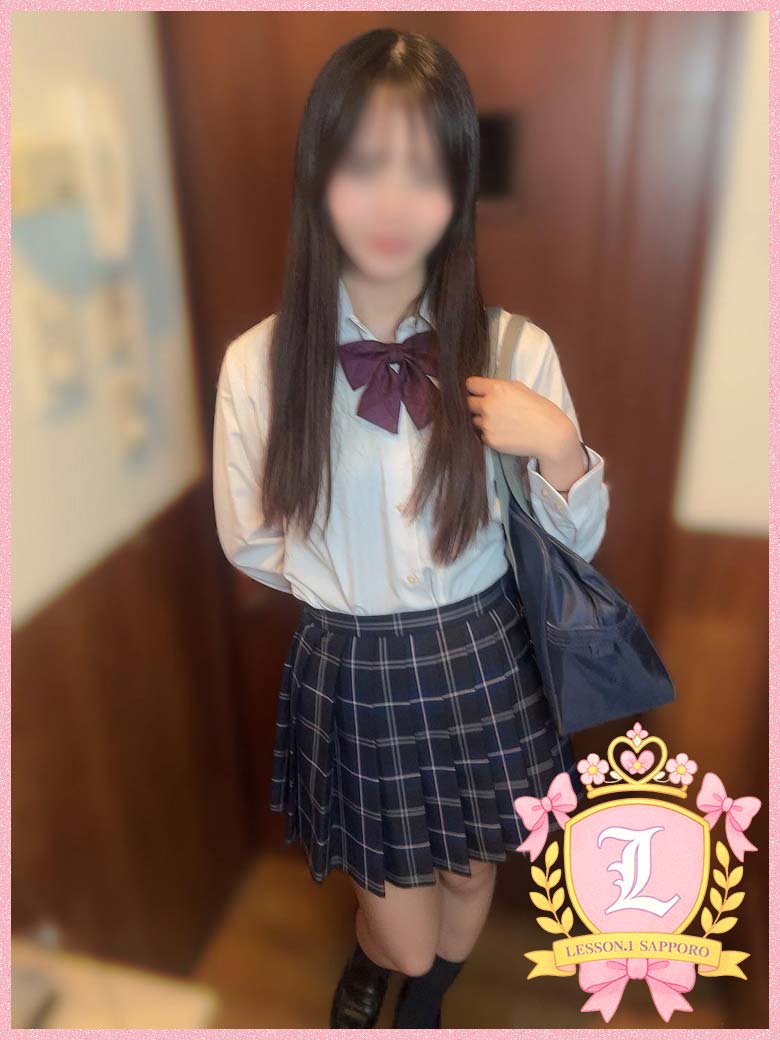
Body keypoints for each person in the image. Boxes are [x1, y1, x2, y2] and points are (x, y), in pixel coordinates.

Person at [212, 27, 609, 1030]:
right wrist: (349, 583)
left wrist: (560, 447)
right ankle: (388, 955)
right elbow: (248, 534)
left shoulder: (515, 348)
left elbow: (575, 548)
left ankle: (423, 1002)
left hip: (484, 651)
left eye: (425, 172)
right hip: (355, 666)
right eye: (365, 165)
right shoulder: (258, 366)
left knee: (471, 874)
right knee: (404, 918)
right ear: (319, 174)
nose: (394, 203)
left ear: (459, 189)